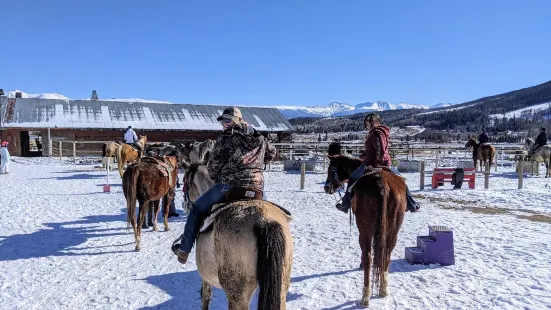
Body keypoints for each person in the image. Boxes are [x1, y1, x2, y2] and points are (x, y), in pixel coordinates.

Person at [172, 107, 276, 264]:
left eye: (228, 120)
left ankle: (184, 250)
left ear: (237, 121)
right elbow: (272, 153)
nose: (224, 124)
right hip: (256, 187)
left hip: (229, 187)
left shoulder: (226, 139)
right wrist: (256, 164)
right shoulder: (259, 137)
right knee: (269, 214)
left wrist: (218, 176)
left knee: (197, 209)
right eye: (223, 121)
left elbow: (213, 167)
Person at [335, 113, 420, 214]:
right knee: (401, 181)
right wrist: (365, 154)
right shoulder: (379, 132)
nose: (368, 125)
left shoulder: (376, 132)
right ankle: (412, 204)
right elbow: (375, 149)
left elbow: (380, 150)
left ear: (377, 123)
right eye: (367, 123)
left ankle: (345, 205)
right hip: (385, 162)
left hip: (374, 163)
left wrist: (375, 163)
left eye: (370, 123)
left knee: (353, 178)